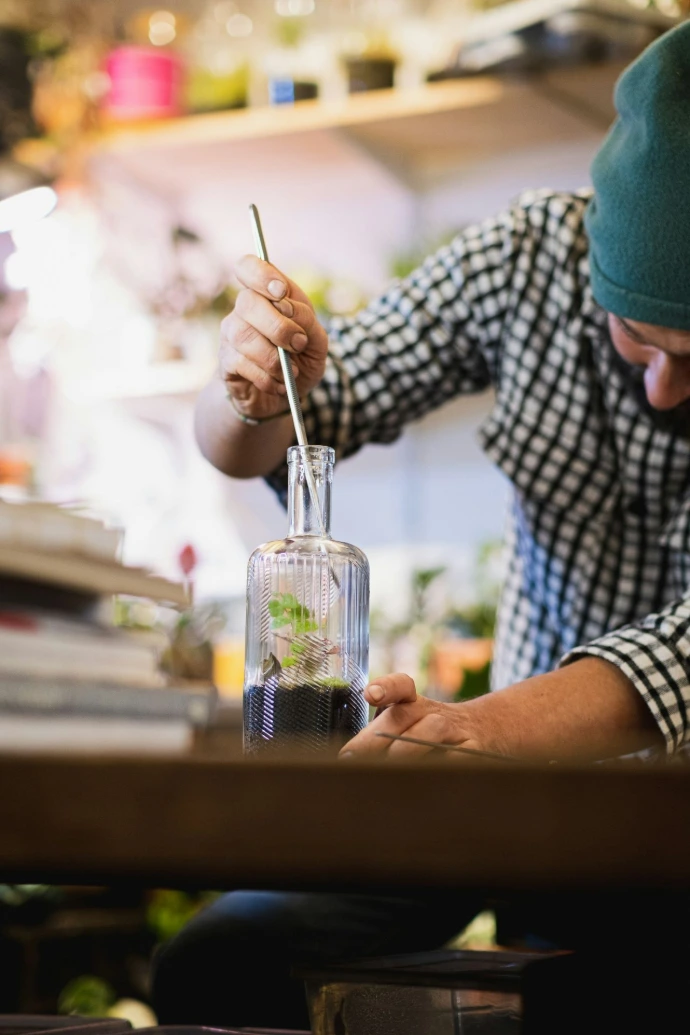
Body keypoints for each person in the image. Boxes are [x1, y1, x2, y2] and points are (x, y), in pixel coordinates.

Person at [151, 22, 690, 1029]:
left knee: (623, 995)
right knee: (220, 964)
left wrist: (484, 727)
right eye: (639, 339)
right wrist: (255, 384)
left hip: (669, 833)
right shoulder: (530, 256)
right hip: (498, 806)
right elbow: (288, 421)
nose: (664, 390)